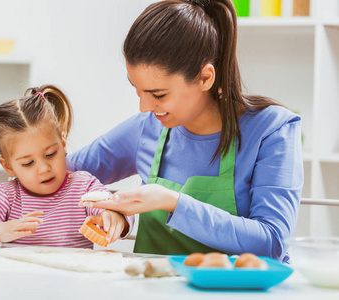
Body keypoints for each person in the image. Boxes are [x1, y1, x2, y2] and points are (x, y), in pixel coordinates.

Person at [73, 0, 303, 262]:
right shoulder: (147, 127)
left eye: (157, 94)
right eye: (137, 90)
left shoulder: (271, 131)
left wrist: (172, 202)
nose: (144, 107)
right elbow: (58, 174)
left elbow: (272, 243)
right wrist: (112, 211)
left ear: (205, 77)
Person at [0, 84, 132, 248]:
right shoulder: (8, 196)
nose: (44, 168)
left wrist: (115, 217)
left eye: (51, 154)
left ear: (62, 141)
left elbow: (116, 206)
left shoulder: (83, 186)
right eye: (28, 163)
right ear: (8, 166)